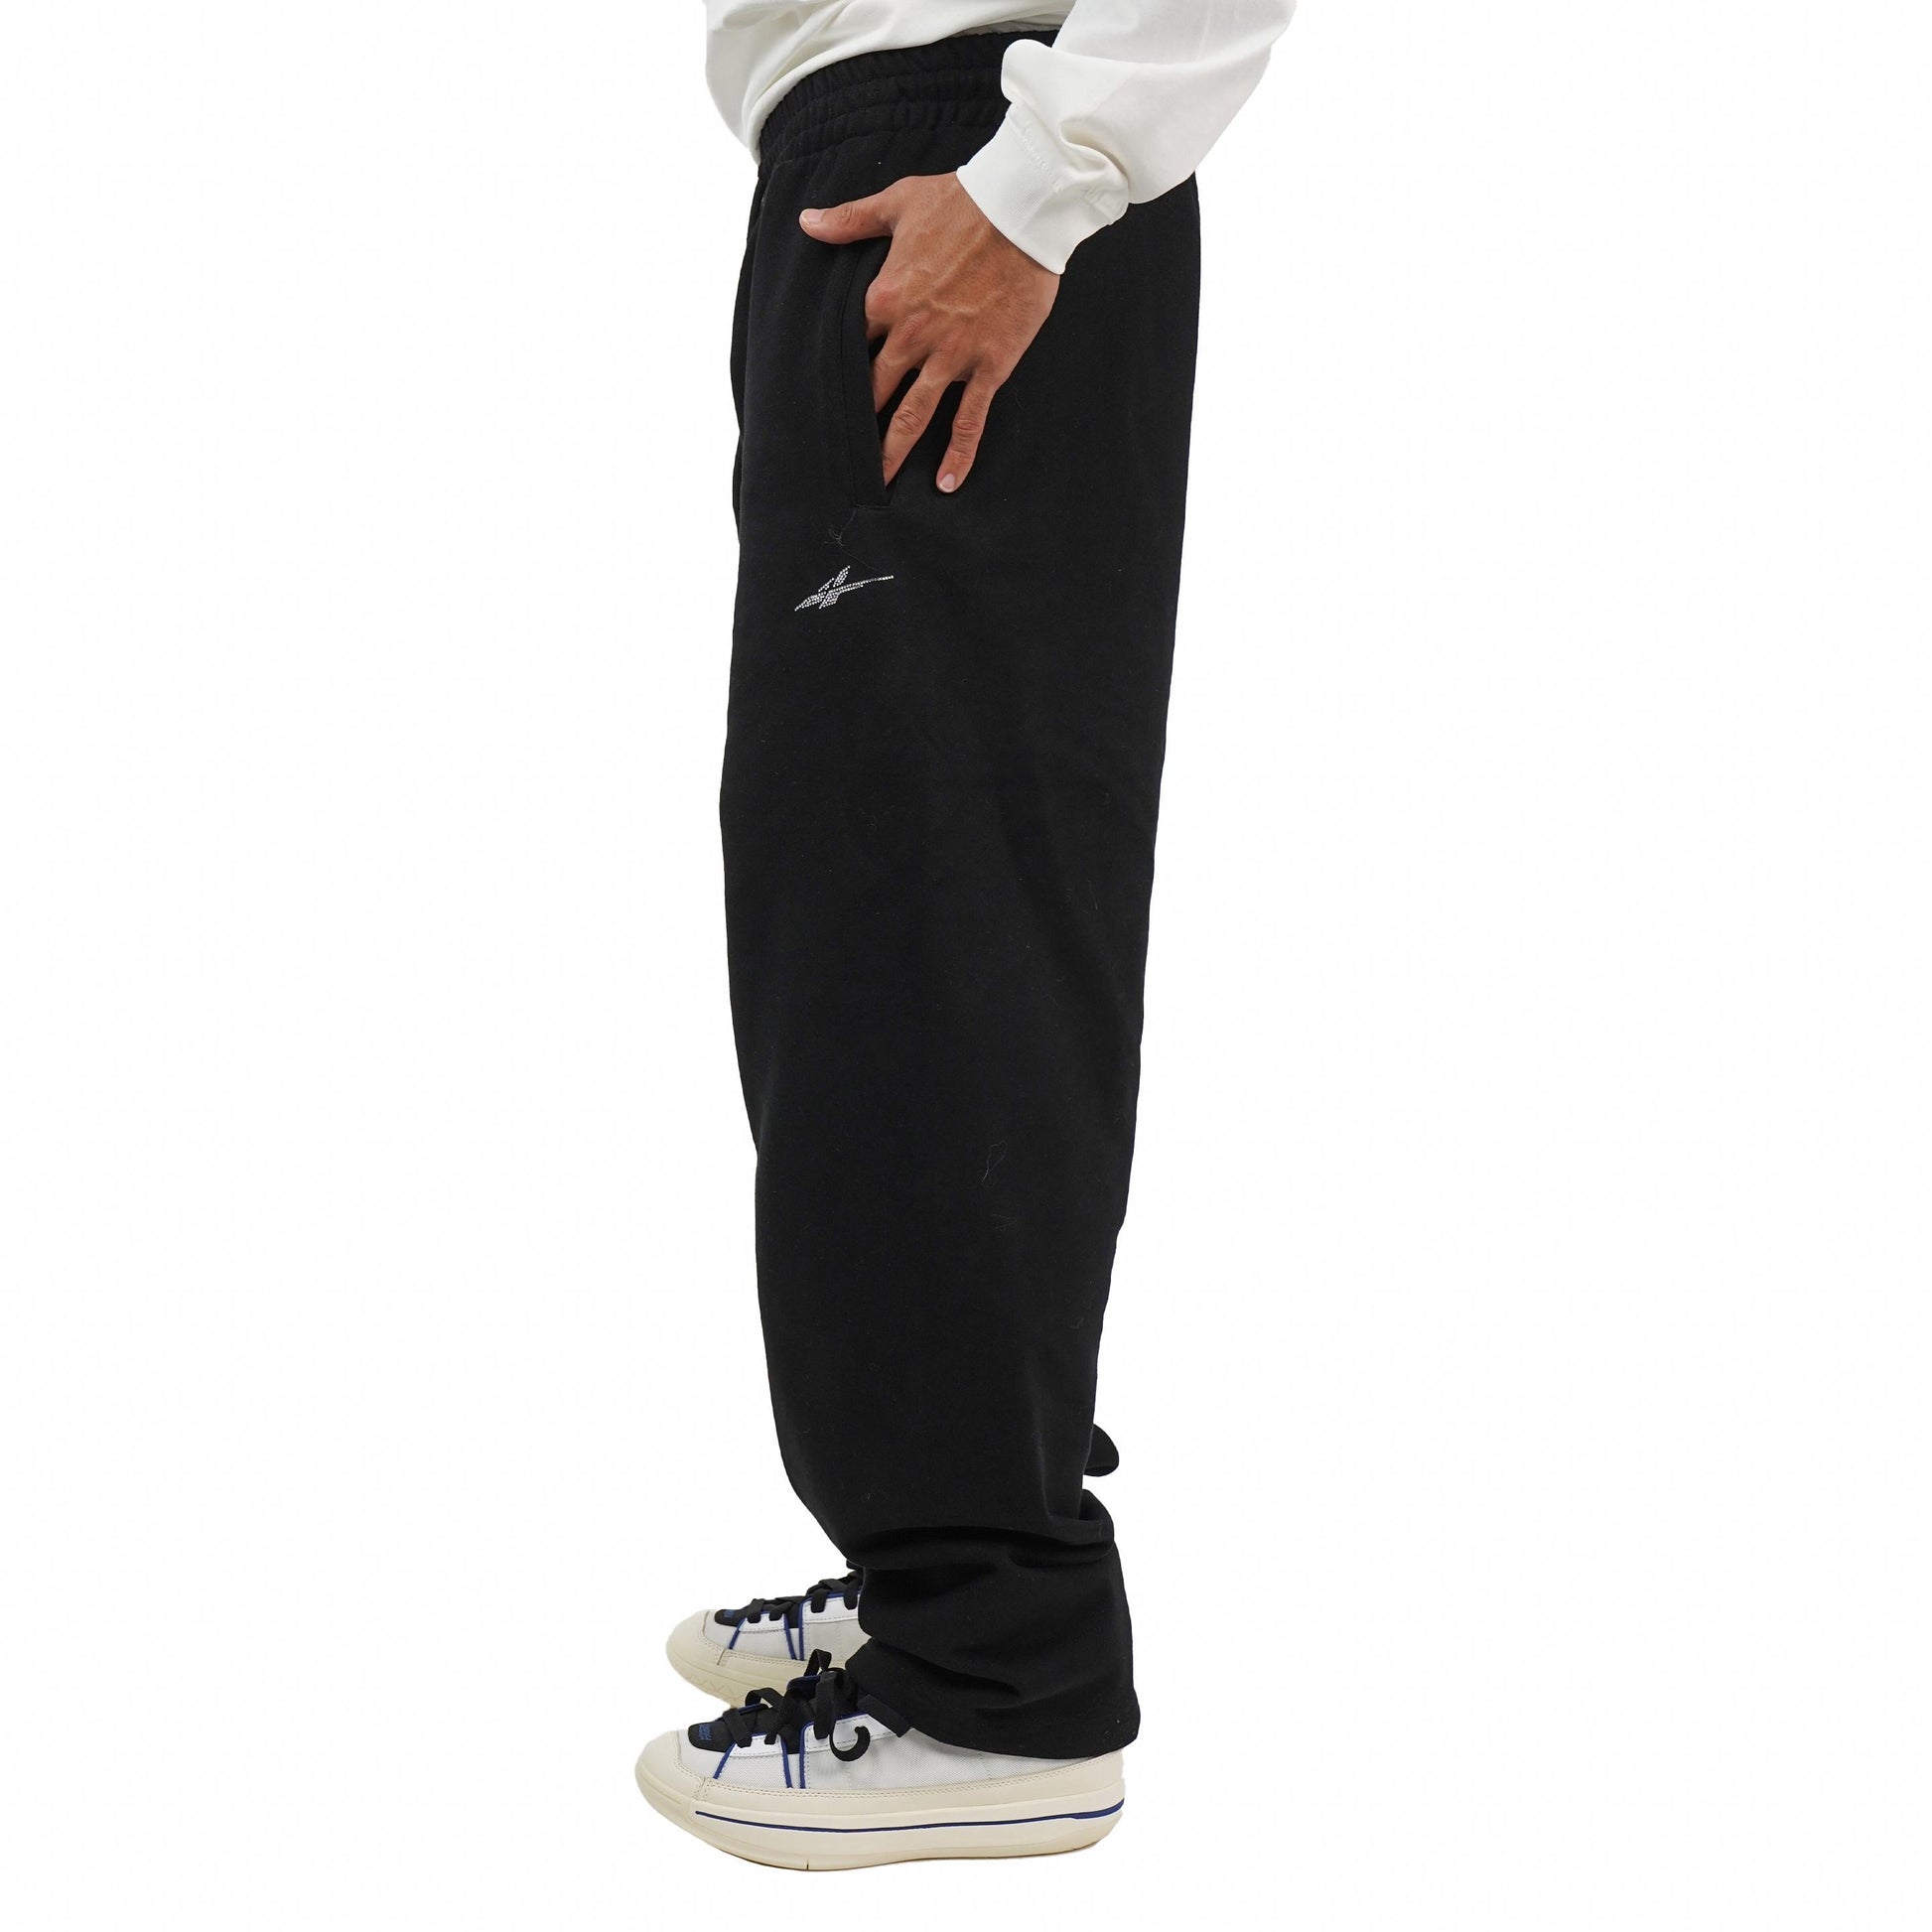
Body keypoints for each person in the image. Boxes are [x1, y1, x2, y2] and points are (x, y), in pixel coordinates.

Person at [635, 3, 1295, 1867]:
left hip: (970, 152)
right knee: (870, 913)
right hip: (891, 164)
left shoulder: (1015, 167)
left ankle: (997, 1668)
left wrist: (1037, 179)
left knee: (923, 929)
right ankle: (940, 1556)